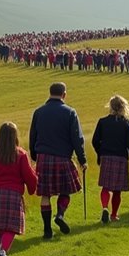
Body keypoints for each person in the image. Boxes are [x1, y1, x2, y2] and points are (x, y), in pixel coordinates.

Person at [29, 82, 88, 238]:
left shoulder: (38, 112)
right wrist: (82, 160)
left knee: (45, 195)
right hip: (63, 157)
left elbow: (32, 136)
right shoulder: (70, 112)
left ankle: (47, 230)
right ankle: (60, 215)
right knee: (65, 190)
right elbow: (77, 139)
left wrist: (34, 156)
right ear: (64, 94)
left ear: (49, 93)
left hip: (43, 157)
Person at [0, 122, 38, 256]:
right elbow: (29, 176)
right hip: (13, 195)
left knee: (0, 225)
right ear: (15, 136)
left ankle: (0, 244)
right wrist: (32, 188)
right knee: (12, 226)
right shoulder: (21, 154)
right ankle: (3, 251)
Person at [91, 95, 129, 224]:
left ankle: (104, 207)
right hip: (120, 157)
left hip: (106, 157)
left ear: (110, 107)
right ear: (123, 107)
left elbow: (95, 141)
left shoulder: (102, 122)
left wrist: (100, 153)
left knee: (105, 187)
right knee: (117, 190)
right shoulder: (127, 123)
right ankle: (114, 215)